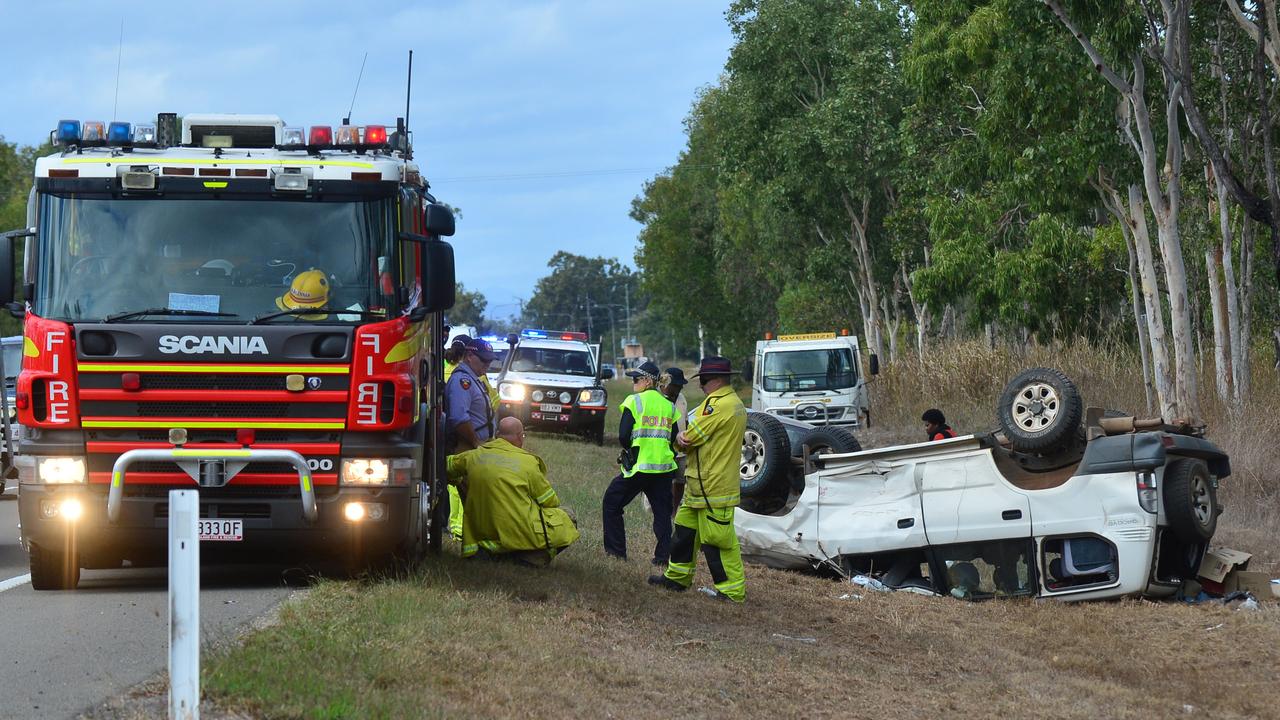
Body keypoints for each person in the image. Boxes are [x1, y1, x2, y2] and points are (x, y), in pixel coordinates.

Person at [649, 356, 749, 603]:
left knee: (718, 540)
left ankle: (732, 591)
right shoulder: (733, 402)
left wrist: (681, 437)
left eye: (702, 380)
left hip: (712, 486)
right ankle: (677, 577)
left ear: (712, 380)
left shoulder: (716, 405)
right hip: (700, 485)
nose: (700, 385)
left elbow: (689, 439)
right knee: (684, 532)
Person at [446, 417, 579, 565]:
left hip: (482, 538)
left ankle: (490, 554)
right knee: (569, 517)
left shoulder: (473, 456)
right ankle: (533, 557)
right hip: (518, 535)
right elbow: (550, 501)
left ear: (497, 435)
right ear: (519, 436)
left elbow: (446, 466)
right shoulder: (528, 463)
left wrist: (458, 480)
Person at [602, 361, 680, 565]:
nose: (633, 383)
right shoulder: (669, 405)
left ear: (647, 381)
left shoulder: (634, 401)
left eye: (636, 379)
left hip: (640, 467)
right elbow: (673, 437)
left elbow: (623, 436)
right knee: (663, 514)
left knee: (612, 503)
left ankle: (616, 553)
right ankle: (663, 558)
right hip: (663, 469)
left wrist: (632, 450)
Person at [444, 338, 498, 541]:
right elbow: (459, 418)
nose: (487, 365)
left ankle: (477, 542)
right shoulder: (462, 381)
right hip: (466, 448)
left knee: (476, 499)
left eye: (489, 361)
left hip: (474, 447)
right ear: (469, 356)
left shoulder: (474, 378)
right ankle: (475, 545)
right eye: (484, 361)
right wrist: (476, 442)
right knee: (474, 499)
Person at [662, 367, 689, 513]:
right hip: (664, 449)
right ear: (667, 383)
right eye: (677, 385)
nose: (679, 388)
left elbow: (686, 421)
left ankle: (673, 510)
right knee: (665, 482)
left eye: (681, 385)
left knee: (680, 481)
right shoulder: (658, 399)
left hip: (681, 450)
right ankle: (662, 508)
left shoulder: (682, 399)